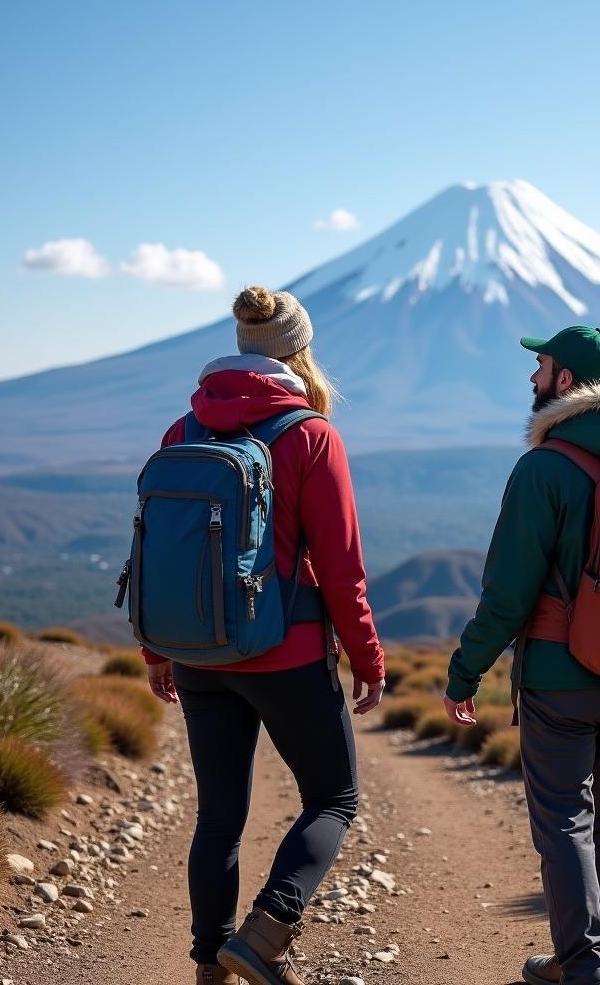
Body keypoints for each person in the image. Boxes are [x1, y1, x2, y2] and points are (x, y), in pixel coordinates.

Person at [142, 287, 386, 985]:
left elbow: (161, 551)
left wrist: (159, 649)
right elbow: (342, 568)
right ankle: (267, 931)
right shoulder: (309, 434)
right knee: (333, 799)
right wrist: (368, 658)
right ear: (299, 353)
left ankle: (208, 969)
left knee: (218, 814)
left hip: (197, 651)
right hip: (288, 652)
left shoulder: (182, 430)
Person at [444, 326, 600, 985]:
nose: (531, 379)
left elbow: (507, 593)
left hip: (558, 676)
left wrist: (465, 672)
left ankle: (583, 966)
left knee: (564, 820)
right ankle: (597, 954)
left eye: (539, 366)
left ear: (565, 381)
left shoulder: (544, 467)